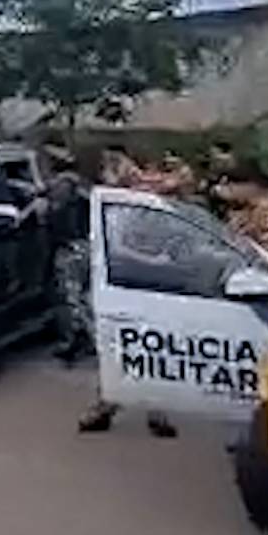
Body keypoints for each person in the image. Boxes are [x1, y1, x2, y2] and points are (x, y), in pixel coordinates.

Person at [78, 147, 178, 438]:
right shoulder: (109, 204)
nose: (125, 171)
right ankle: (110, 406)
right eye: (114, 167)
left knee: (146, 347)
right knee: (117, 348)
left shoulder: (138, 200)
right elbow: (114, 250)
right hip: (120, 286)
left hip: (141, 285)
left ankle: (146, 410)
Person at [43, 143, 93, 363]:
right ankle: (85, 338)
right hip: (85, 245)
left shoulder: (63, 186)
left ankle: (80, 340)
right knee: (83, 296)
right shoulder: (83, 184)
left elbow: (54, 213)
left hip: (70, 248)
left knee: (70, 296)